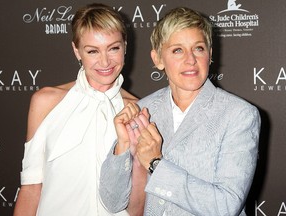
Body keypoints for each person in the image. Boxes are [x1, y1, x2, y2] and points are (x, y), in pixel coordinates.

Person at [99, 7, 261, 216]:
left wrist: (155, 164)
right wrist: (122, 146)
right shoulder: (143, 110)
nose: (190, 59)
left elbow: (226, 207)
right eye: (177, 50)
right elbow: (112, 203)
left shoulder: (239, 115)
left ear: (210, 55)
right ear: (157, 59)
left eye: (199, 48)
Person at [13, 3, 143, 216]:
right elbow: (31, 188)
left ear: (125, 46)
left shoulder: (139, 110)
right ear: (77, 51)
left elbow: (138, 204)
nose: (105, 61)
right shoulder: (46, 102)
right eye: (93, 51)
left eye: (113, 48)